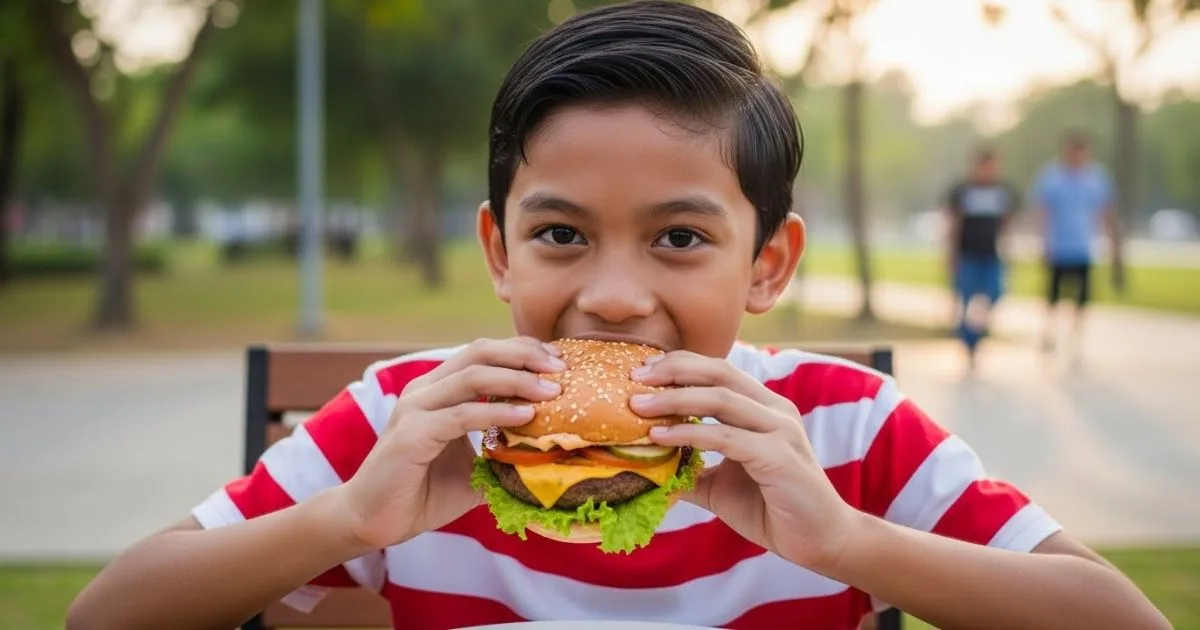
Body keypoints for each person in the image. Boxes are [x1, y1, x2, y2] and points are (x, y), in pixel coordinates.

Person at [66, 3, 1167, 630]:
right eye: (561, 235)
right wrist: (350, 523)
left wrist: (845, 541)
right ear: (500, 251)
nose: (613, 294)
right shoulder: (416, 414)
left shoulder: (846, 427)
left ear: (767, 264)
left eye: (681, 238)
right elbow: (105, 618)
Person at [1033, 131, 1116, 363]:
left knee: (1082, 299)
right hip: (1058, 247)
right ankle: (1049, 333)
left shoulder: (1097, 178)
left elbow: (1105, 211)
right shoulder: (1052, 177)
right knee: (1053, 296)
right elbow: (1043, 212)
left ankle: (1075, 341)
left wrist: (1111, 243)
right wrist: (1043, 242)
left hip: (1083, 247)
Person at [943, 148, 1021, 370]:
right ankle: (967, 338)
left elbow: (1007, 223)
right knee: (965, 298)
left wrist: (1009, 249)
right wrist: (951, 252)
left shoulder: (1002, 192)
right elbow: (954, 223)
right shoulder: (963, 191)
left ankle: (975, 331)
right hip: (968, 254)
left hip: (991, 254)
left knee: (995, 293)